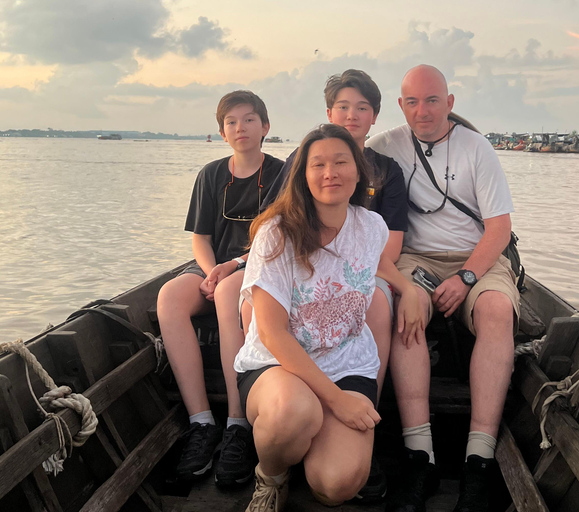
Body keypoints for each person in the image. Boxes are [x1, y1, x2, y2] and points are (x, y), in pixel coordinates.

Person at [234, 124, 422, 512]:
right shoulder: (277, 233)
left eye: (340, 162)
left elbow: (377, 263)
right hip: (277, 365)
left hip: (346, 363)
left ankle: (305, 449)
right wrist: (336, 401)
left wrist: (410, 288)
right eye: (317, 164)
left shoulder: (372, 227)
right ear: (303, 176)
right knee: (293, 412)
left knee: (337, 484)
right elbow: (270, 332)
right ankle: (272, 475)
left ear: (359, 172)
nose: (329, 172)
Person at [365, 65, 521, 512]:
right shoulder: (387, 145)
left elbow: (499, 229)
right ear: (400, 106)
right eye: (412, 101)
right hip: (415, 260)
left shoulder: (477, 148)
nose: (422, 110)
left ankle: (480, 458)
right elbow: (341, 157)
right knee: (401, 307)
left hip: (477, 259)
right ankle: (421, 456)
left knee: (495, 311)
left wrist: (467, 277)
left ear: (449, 103)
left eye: (432, 100)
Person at [156, 90, 284, 487]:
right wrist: (211, 272)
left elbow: (282, 238)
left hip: (259, 266)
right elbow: (201, 237)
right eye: (231, 122)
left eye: (248, 120)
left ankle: (237, 422)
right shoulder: (211, 175)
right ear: (221, 132)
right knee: (169, 298)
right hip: (214, 267)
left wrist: (231, 271)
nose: (240, 128)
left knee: (230, 294)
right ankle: (200, 421)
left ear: (265, 126)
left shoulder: (283, 173)